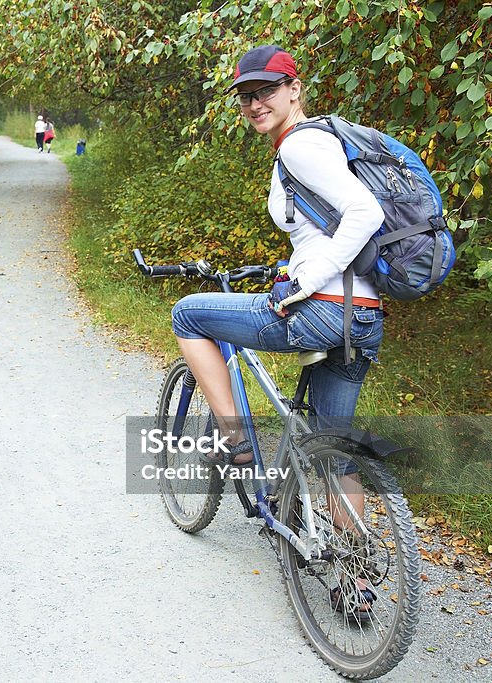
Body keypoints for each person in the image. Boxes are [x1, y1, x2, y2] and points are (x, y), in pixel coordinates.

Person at [170, 45, 384, 614]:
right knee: (333, 452)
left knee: (189, 314)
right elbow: (326, 230)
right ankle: (355, 582)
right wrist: (299, 267)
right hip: (361, 317)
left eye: (267, 89)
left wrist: (310, 275)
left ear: (295, 89)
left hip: (321, 309)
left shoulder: (302, 144)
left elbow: (365, 214)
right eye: (246, 94)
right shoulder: (317, 143)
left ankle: (238, 444)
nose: (256, 101)